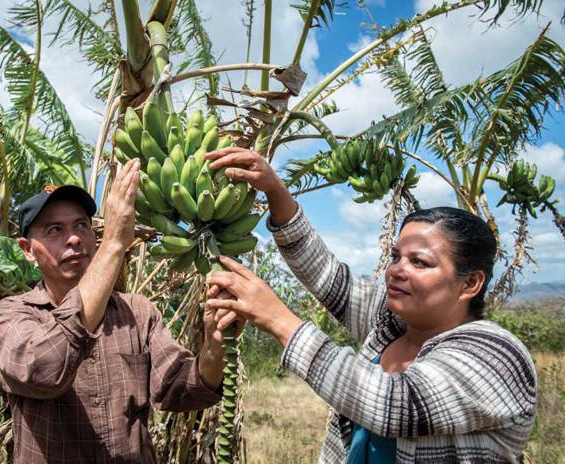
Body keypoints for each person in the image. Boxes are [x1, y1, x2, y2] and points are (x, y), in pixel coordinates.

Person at [203, 147, 537, 463]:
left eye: (419, 262)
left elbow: (395, 404)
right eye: (396, 256)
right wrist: (275, 190)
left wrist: (279, 320)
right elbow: (323, 273)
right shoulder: (391, 323)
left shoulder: (498, 357)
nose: (397, 270)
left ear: (470, 283)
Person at [0, 159, 240, 463]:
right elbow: (46, 370)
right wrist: (116, 243)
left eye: (82, 225)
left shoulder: (137, 311)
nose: (74, 238)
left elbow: (179, 388)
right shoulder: (11, 315)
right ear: (28, 249)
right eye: (55, 229)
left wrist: (214, 345)